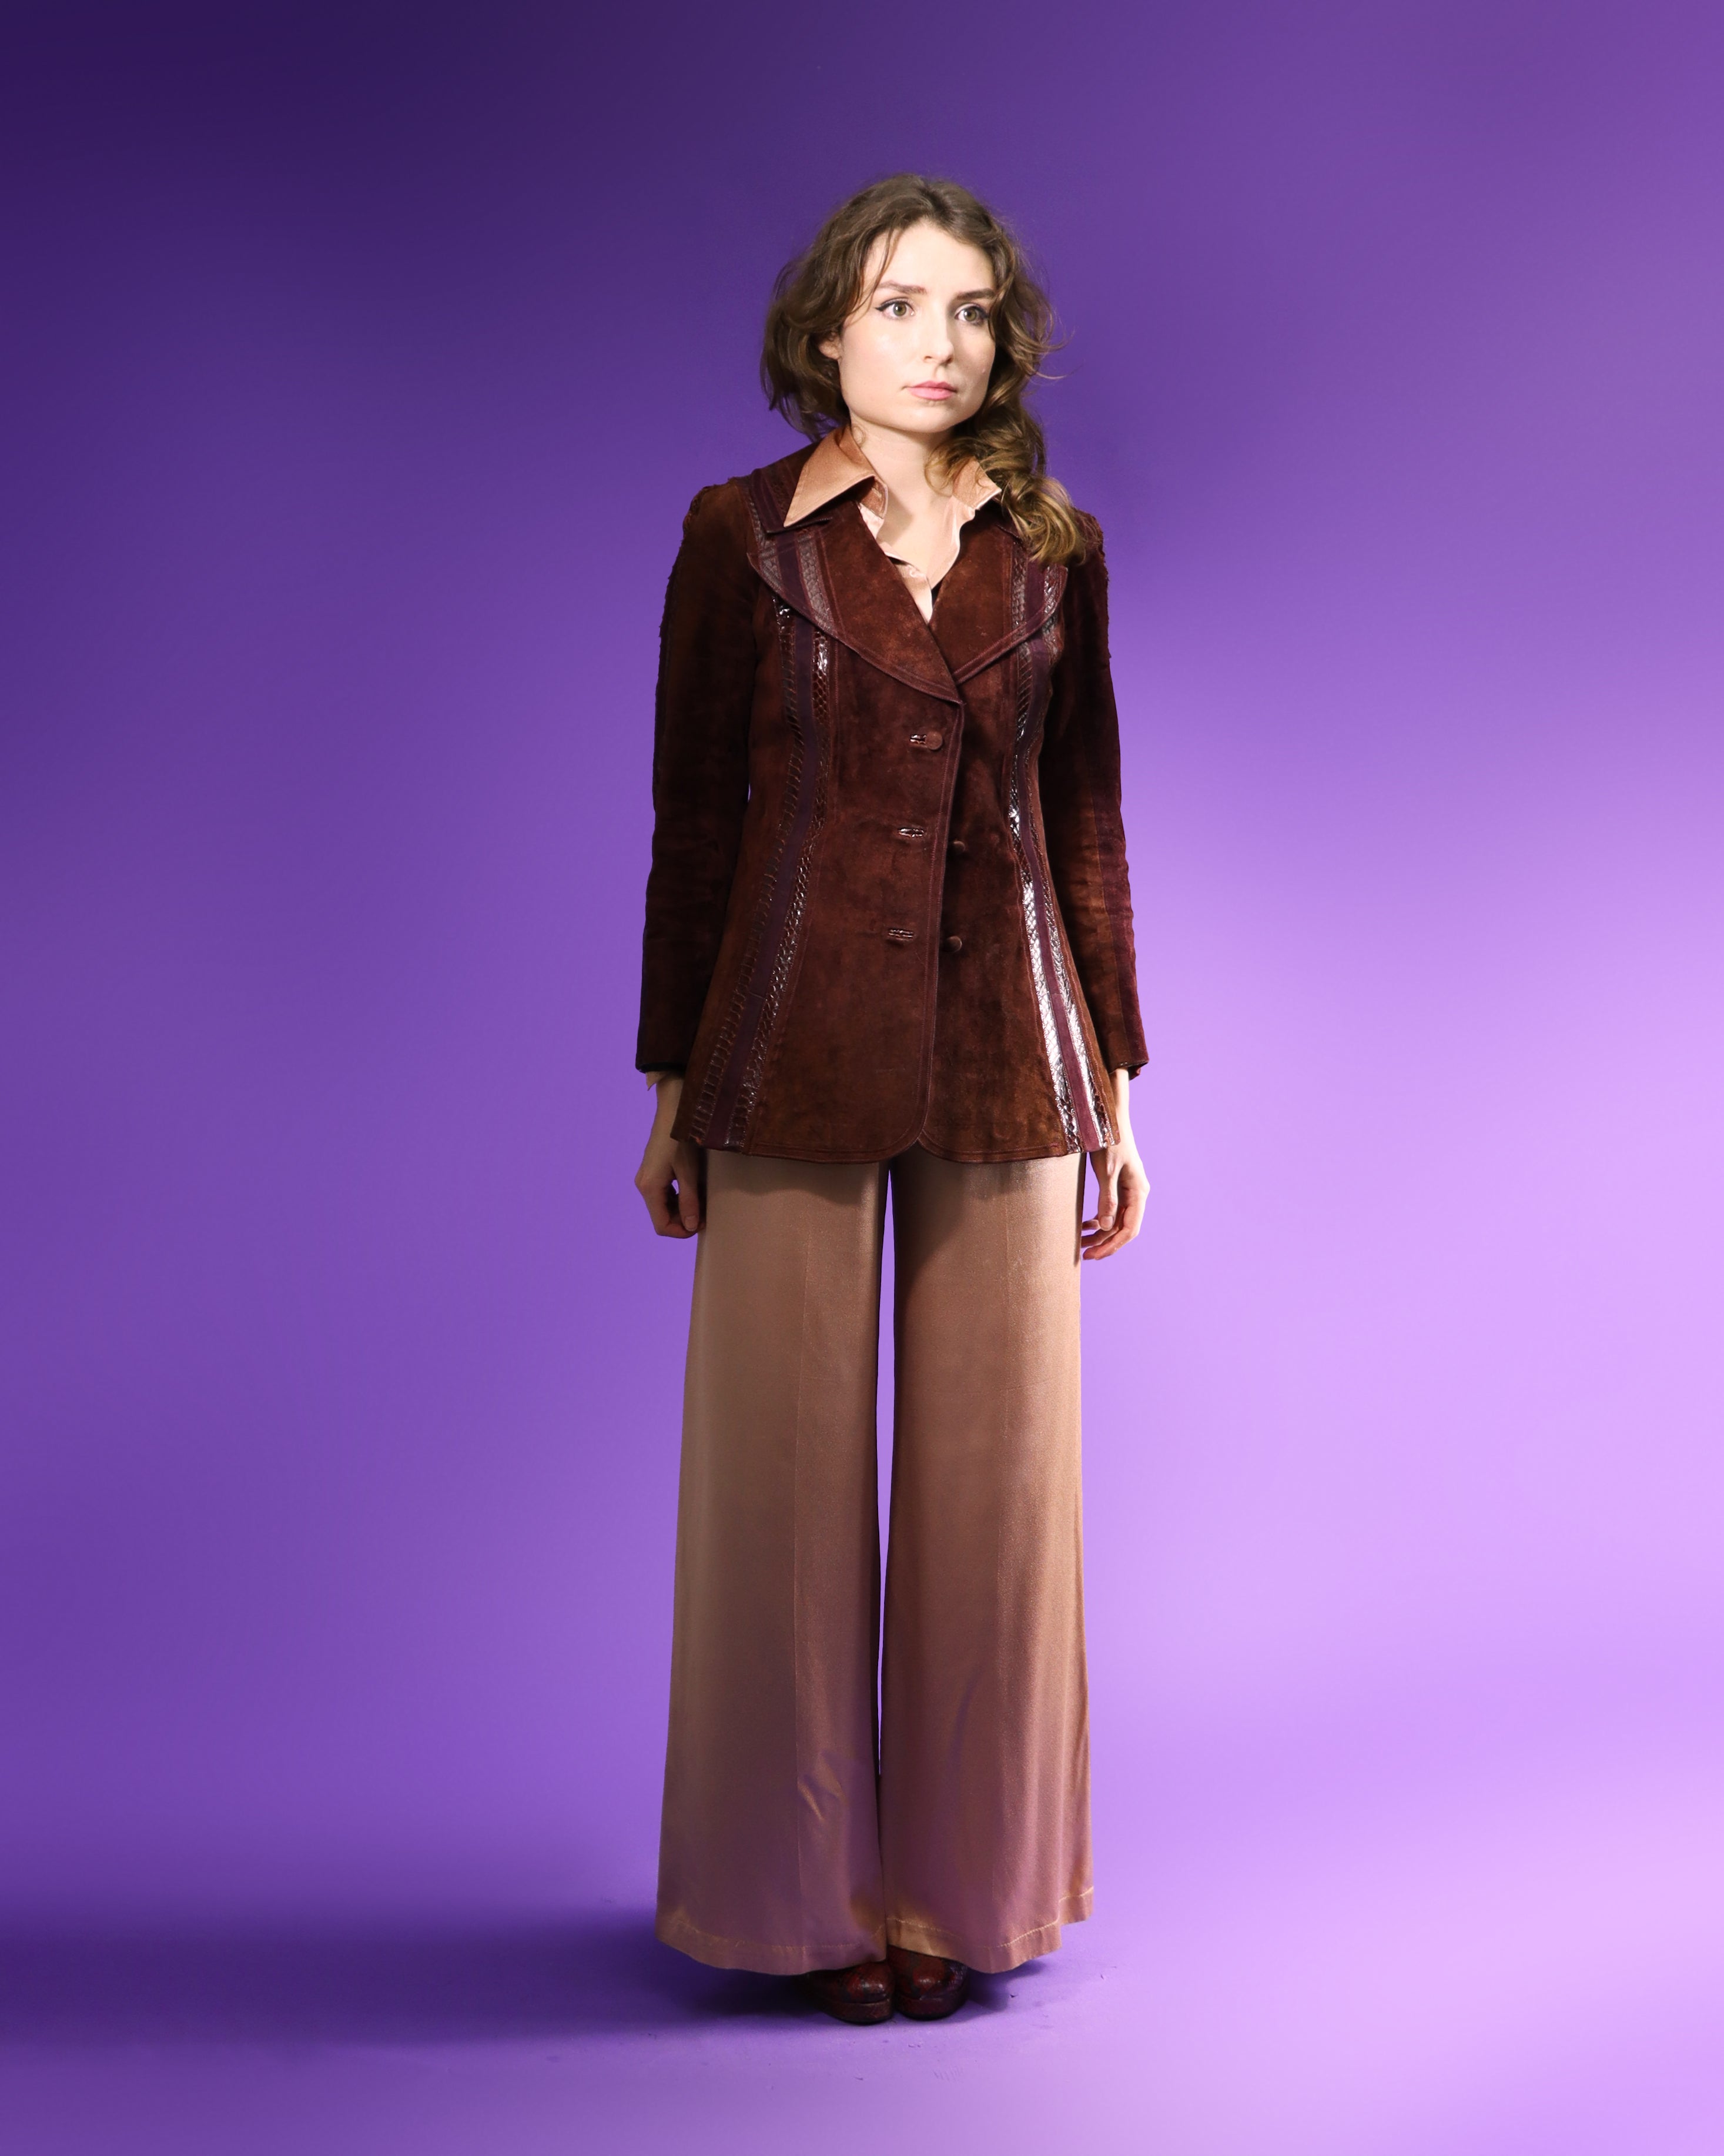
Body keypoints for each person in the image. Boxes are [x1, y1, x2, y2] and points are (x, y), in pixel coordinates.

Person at [632, 173, 1148, 2025]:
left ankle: (962, 1893)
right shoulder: (739, 536)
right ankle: (799, 1898)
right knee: (775, 1491)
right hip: (787, 1047)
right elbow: (696, 824)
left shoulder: (1055, 547)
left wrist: (1117, 1084)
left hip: (1010, 1047)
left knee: (997, 1497)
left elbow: (1085, 824)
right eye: (901, 306)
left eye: (972, 311)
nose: (942, 343)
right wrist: (673, 1085)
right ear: (826, 335)